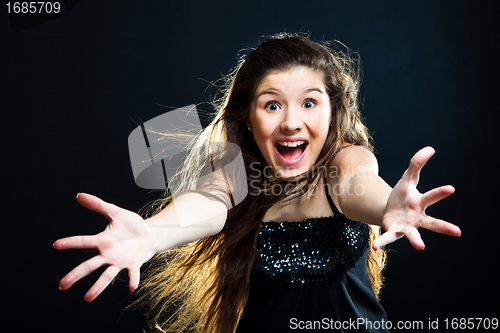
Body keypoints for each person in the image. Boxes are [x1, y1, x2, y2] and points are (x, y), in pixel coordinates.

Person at [54, 33, 461, 333]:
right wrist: (151, 233)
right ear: (248, 117)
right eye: (271, 104)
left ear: (332, 114)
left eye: (309, 102)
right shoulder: (232, 172)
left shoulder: (345, 161)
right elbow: (207, 204)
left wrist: (387, 206)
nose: (290, 122)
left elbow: (360, 184)